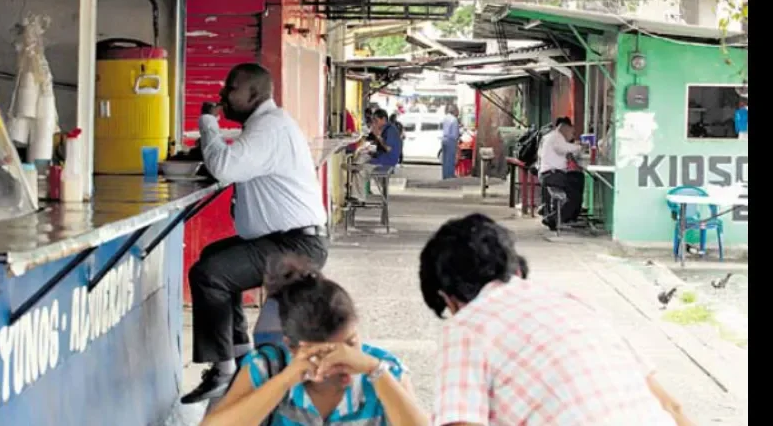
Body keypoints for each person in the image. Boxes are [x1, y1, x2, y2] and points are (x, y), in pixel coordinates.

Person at [419, 214, 693, 426]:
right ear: (514, 266)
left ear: (448, 298)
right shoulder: (574, 303)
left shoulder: (468, 326)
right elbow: (672, 406)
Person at [182, 63, 329, 404]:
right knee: (213, 259)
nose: (222, 95)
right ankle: (239, 357)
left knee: (210, 275)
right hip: (284, 238)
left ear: (255, 94)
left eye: (231, 88)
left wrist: (207, 123)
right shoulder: (266, 125)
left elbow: (224, 167)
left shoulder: (269, 129)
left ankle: (222, 370)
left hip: (297, 245)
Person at [202, 257, 427, 426]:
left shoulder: (384, 371)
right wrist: (285, 381)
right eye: (326, 353)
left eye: (351, 343)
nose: (345, 361)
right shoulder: (267, 369)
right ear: (292, 347)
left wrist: (376, 372)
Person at [537, 117, 584, 230]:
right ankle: (553, 219)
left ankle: (569, 216)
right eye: (572, 132)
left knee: (578, 177)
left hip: (550, 174)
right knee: (574, 194)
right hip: (552, 175)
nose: (572, 136)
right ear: (566, 129)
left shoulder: (551, 136)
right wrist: (580, 147)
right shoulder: (556, 137)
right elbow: (562, 149)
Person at [350, 109, 402, 203]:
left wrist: (378, 136)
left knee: (361, 170)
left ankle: (358, 197)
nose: (374, 123)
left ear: (383, 119)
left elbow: (388, 148)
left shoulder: (390, 130)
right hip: (380, 157)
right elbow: (370, 139)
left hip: (386, 161)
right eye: (373, 120)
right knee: (362, 155)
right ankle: (354, 167)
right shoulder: (384, 129)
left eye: (376, 120)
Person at [441, 105, 460, 179]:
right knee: (450, 158)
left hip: (444, 139)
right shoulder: (454, 119)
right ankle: (450, 174)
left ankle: (445, 175)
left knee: (445, 158)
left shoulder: (445, 118)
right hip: (451, 140)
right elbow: (455, 133)